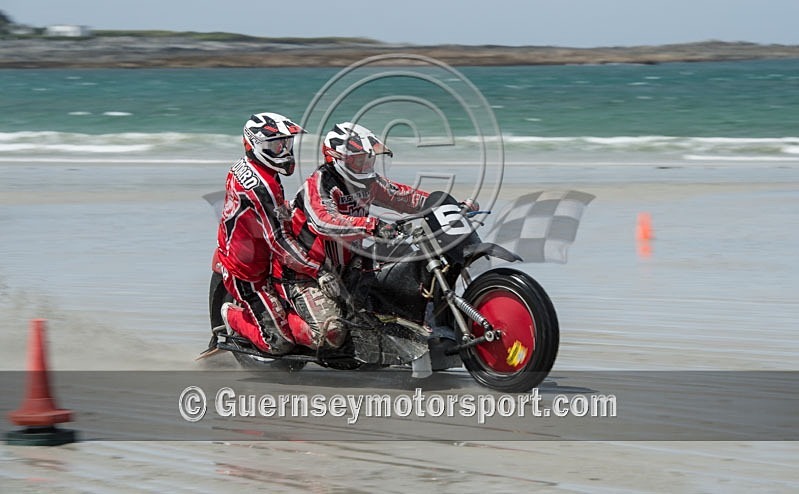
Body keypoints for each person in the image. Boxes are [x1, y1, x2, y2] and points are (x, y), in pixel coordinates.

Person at [215, 112, 341, 354]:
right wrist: (318, 271)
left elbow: (270, 214)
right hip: (247, 273)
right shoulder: (261, 186)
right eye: (275, 145)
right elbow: (278, 240)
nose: (283, 150)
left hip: (256, 249)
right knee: (278, 343)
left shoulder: (251, 167)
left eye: (286, 143)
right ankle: (231, 316)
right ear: (254, 145)